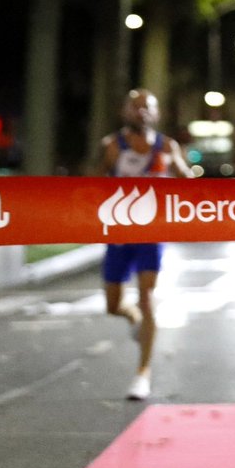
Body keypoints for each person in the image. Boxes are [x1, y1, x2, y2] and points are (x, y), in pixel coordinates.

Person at [96, 89, 193, 400]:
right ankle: (133, 319)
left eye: (147, 108)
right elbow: (91, 187)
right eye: (135, 107)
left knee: (147, 297)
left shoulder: (166, 146)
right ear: (126, 112)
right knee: (113, 305)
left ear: (157, 113)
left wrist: (179, 166)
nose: (141, 113)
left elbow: (187, 181)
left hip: (151, 234)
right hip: (119, 234)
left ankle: (142, 374)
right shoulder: (113, 146)